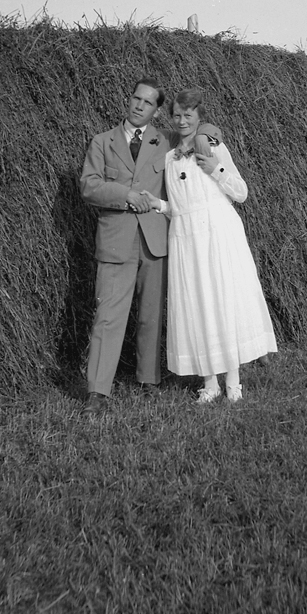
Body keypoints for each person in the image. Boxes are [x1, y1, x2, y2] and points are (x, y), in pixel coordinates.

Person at [79, 77, 222, 415]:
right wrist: (125, 195)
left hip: (156, 241)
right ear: (129, 100)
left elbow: (204, 128)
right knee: (108, 316)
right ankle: (97, 391)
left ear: (157, 111)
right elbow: (89, 186)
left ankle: (149, 381)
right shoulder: (102, 141)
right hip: (116, 243)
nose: (139, 105)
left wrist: (204, 135)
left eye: (147, 102)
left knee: (151, 315)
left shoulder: (167, 140)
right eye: (136, 98)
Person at [142, 88, 277, 403]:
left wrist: (215, 168)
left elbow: (240, 192)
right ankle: (210, 383)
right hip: (186, 238)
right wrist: (158, 205)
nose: (182, 121)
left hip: (219, 233)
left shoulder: (215, 147)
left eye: (188, 115)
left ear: (199, 117)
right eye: (177, 115)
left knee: (222, 300)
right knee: (197, 305)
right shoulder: (169, 159)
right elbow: (179, 207)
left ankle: (233, 381)